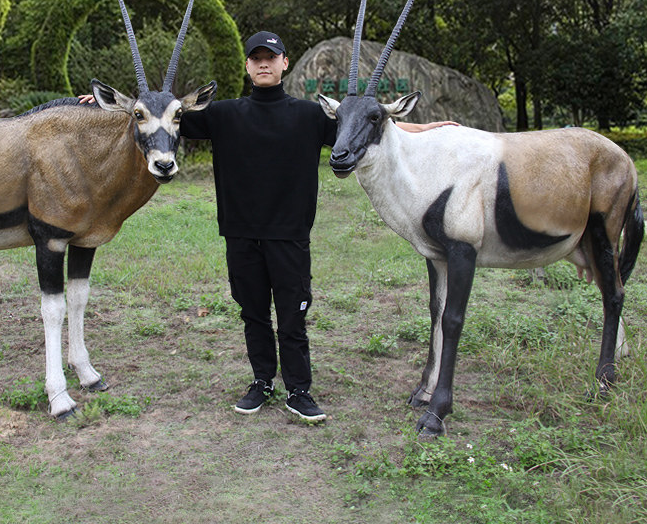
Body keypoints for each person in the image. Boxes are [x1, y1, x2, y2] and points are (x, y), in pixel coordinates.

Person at [81, 31, 455, 423]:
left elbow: (368, 127)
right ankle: (261, 382)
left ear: (284, 64)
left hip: (290, 236)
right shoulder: (221, 115)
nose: (263, 63)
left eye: (270, 58)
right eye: (256, 58)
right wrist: (99, 107)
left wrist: (426, 128)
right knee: (254, 314)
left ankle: (299, 390)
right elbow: (154, 118)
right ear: (248, 66)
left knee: (292, 318)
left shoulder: (310, 116)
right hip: (241, 235)